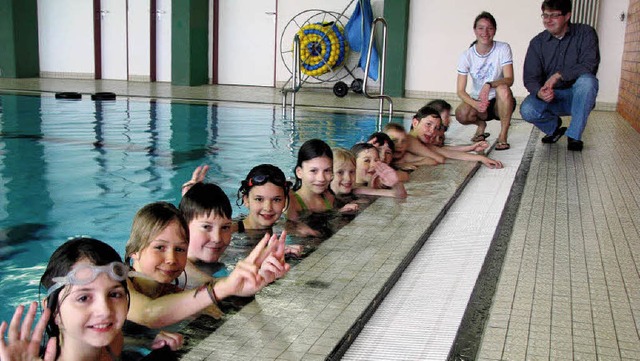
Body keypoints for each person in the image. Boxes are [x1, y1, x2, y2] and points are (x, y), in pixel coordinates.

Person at [0, 237, 183, 361]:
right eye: (84, 298)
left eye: (114, 294)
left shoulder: (112, 342)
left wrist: (147, 337)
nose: (105, 310)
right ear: (53, 310)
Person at [124, 201, 289, 328]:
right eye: (159, 247)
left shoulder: (170, 284)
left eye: (180, 249)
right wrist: (225, 288)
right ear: (134, 250)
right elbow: (148, 314)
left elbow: (212, 284)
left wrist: (247, 281)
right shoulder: (116, 283)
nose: (171, 259)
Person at [521, 0, 600, 151]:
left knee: (588, 82)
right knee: (527, 109)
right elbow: (530, 77)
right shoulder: (537, 43)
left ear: (567, 16)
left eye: (554, 16)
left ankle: (574, 136)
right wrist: (539, 92)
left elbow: (590, 64)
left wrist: (558, 75)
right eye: (545, 15)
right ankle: (554, 128)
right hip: (552, 97)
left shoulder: (585, 33)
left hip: (577, 96)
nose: (548, 20)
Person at [455, 11, 516, 151]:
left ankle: (503, 135)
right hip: (479, 101)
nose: (485, 32)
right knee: (461, 114)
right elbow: (460, 91)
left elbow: (509, 79)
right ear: (475, 30)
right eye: (481, 28)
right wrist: (475, 104)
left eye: (489, 28)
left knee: (503, 88)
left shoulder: (503, 48)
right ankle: (481, 125)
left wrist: (489, 85)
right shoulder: (466, 56)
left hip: (500, 101)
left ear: (494, 30)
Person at [408, 106, 503, 168]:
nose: (432, 131)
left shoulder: (421, 143)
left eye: (436, 128)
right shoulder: (409, 140)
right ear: (415, 122)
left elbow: (445, 151)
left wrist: (475, 152)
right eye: (428, 124)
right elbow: (443, 154)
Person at [287, 139, 358, 223]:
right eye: (313, 171)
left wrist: (339, 213)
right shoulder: (291, 202)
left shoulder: (328, 197)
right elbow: (292, 228)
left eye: (327, 170)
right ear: (299, 172)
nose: (321, 178)